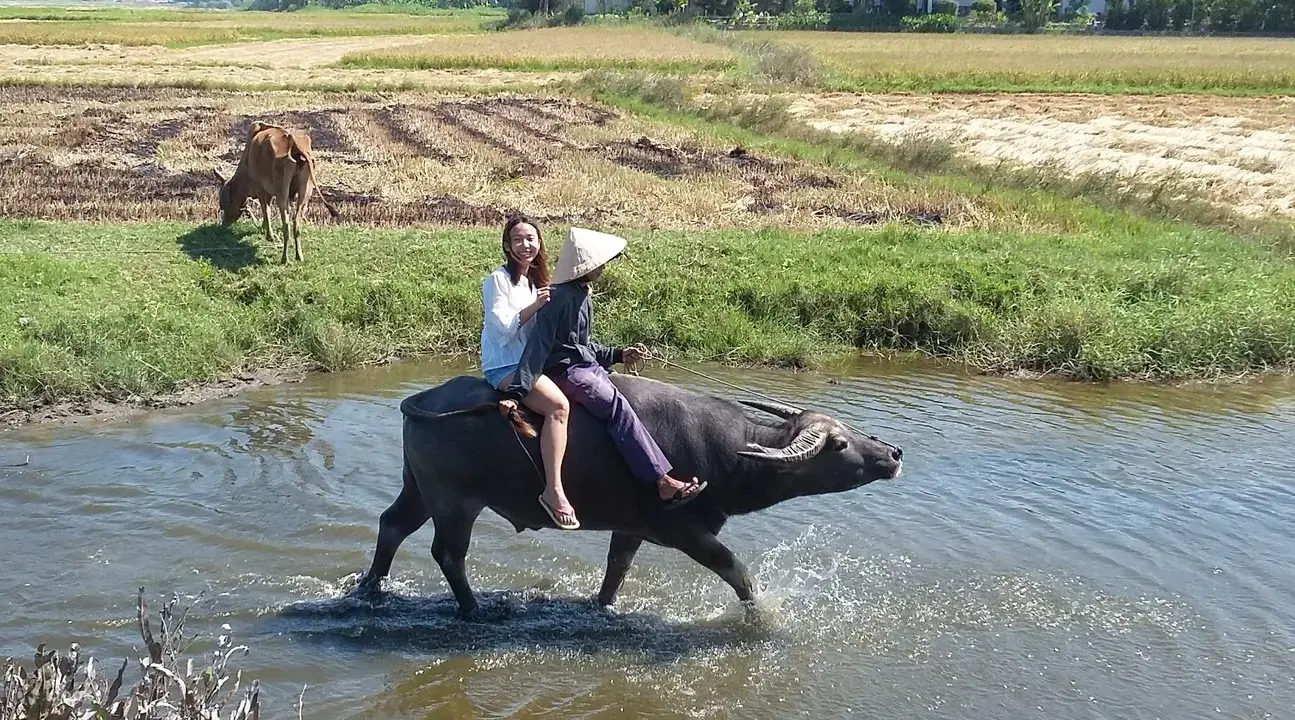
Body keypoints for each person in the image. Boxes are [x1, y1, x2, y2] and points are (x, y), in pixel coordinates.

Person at [499, 226, 707, 511]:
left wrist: (619, 354)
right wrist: (518, 390)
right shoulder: (558, 298)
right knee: (617, 407)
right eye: (600, 263)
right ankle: (662, 482)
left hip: (586, 366)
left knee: (631, 397)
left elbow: (584, 344)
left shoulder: (582, 293)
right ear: (586, 267)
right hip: (568, 373)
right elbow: (539, 348)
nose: (604, 268)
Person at [481, 215, 579, 530]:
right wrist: (536, 306)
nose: (526, 245)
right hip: (506, 365)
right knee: (558, 406)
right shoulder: (498, 280)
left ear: (540, 243)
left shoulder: (535, 282)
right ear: (508, 247)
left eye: (531, 239)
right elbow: (502, 330)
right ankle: (553, 490)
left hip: (531, 364)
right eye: (518, 240)